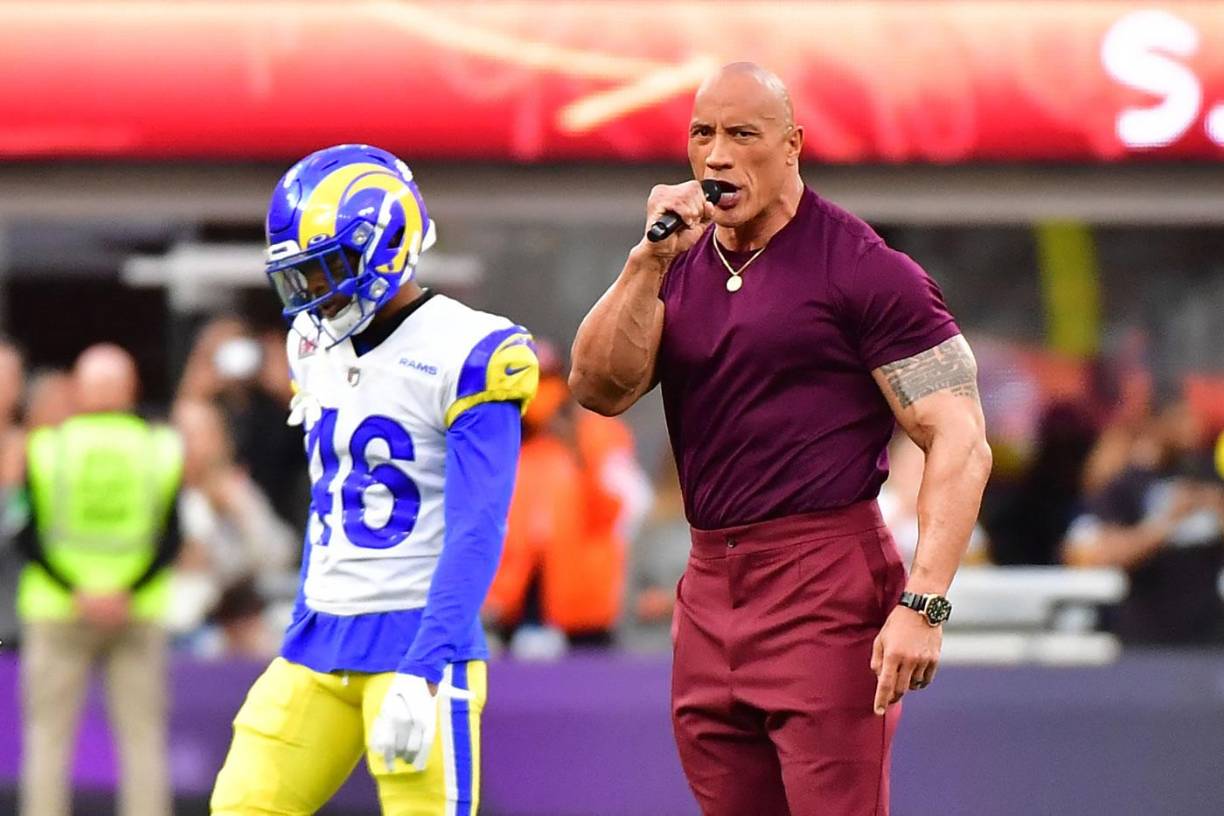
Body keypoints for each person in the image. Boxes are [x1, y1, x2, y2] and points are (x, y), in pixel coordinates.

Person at [569, 63, 991, 815]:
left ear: (792, 146)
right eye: (703, 134)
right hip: (707, 586)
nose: (718, 155)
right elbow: (597, 388)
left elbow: (960, 438)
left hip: (823, 582)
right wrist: (647, 261)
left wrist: (924, 605)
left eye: (743, 134)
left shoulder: (865, 270)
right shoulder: (676, 263)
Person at [210, 144, 539, 816]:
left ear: (387, 245)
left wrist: (428, 668)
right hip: (318, 640)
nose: (315, 294)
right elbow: (329, 494)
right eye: (303, 275)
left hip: (417, 641)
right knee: (243, 804)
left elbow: (479, 527)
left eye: (329, 268)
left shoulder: (471, 350)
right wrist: (303, 614)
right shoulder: (311, 342)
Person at [15, 344, 183, 816]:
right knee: (143, 741)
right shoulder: (161, 448)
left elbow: (26, 535)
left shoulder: (46, 448)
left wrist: (77, 590)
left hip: (57, 609)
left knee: (48, 740)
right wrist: (126, 590)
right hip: (137, 609)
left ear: (80, 389)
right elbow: (172, 537)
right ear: (131, 389)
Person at [485, 341, 651, 649]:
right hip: (511, 604)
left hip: (583, 609)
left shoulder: (600, 435)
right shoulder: (506, 440)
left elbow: (624, 512)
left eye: (547, 381)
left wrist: (578, 452)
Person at [1063, 398, 1224, 644]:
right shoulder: (1125, 484)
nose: (1193, 426)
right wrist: (1168, 522)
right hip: (1147, 635)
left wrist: (1215, 506)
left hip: (1208, 634)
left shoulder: (1207, 472)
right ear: (1158, 421)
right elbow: (1105, 552)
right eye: (1181, 417)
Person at [170, 399, 296, 658]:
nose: (192, 445)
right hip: (183, 629)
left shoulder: (239, 492)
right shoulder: (161, 495)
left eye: (202, 434)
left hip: (246, 618)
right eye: (183, 434)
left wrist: (241, 512)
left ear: (223, 440)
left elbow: (281, 557)